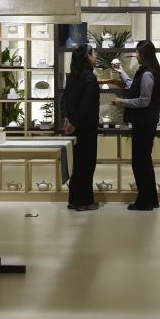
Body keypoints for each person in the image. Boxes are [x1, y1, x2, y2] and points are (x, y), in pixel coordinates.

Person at [111, 41, 160, 210]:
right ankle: (151, 199)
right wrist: (122, 72)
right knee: (144, 161)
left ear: (144, 55)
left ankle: (145, 202)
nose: (136, 56)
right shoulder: (148, 71)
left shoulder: (147, 73)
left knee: (140, 162)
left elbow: (144, 101)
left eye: (138, 53)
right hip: (146, 122)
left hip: (144, 123)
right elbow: (134, 87)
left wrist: (122, 102)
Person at [62, 44, 100, 211]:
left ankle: (74, 200)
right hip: (87, 127)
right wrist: (75, 123)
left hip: (75, 126)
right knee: (87, 164)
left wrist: (68, 121)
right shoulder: (90, 78)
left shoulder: (73, 76)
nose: (96, 56)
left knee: (77, 164)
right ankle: (84, 201)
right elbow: (86, 105)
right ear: (87, 57)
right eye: (93, 53)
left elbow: (64, 100)